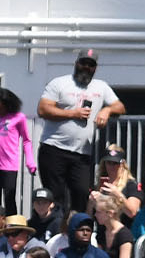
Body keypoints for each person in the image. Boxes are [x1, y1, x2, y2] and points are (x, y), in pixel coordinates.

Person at [37, 50, 124, 214]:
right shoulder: (59, 83)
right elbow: (43, 109)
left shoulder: (101, 86)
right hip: (54, 149)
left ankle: (78, 231)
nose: (86, 67)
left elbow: (120, 106)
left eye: (91, 65)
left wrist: (106, 110)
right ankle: (57, 233)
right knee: (56, 196)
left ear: (95, 68)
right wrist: (72, 113)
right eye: (83, 63)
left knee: (82, 193)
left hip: (82, 153)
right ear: (76, 64)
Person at [0, 86, 36, 214]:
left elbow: (27, 140)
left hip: (9, 165)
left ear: (8, 104)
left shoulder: (19, 118)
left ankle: (12, 226)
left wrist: (30, 162)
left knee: (9, 197)